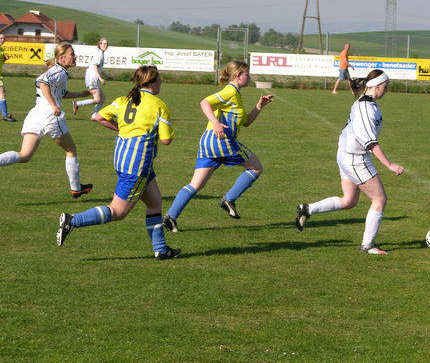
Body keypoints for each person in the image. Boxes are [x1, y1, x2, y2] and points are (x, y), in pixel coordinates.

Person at [56, 65, 180, 260]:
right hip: (137, 164)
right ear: (152, 82)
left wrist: (122, 129)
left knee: (155, 202)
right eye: (160, 79)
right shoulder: (158, 105)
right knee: (118, 212)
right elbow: (166, 140)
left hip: (122, 158)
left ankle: (161, 250)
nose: (162, 82)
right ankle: (73, 220)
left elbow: (98, 116)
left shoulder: (123, 100)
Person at [296, 69, 405, 255]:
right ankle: (368, 245)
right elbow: (371, 142)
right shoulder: (365, 108)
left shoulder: (368, 104)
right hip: (355, 158)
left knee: (349, 201)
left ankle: (307, 209)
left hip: (348, 155)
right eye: (385, 87)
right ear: (376, 86)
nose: (387, 90)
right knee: (379, 199)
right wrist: (389, 164)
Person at [162, 60, 274, 233]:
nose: (249, 77)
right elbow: (204, 102)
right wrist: (215, 122)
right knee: (256, 168)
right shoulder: (230, 91)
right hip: (222, 141)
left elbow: (246, 122)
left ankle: (170, 217)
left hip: (208, 143)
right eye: (247, 74)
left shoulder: (236, 95)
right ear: (238, 75)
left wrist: (259, 106)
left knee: (195, 184)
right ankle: (228, 200)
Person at [0, 42, 93, 198]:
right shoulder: (59, 71)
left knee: (24, 156)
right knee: (71, 150)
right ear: (62, 58)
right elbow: (42, 83)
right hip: (50, 115)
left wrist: (81, 94)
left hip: (36, 114)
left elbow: (60, 93)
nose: (75, 56)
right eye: (72, 54)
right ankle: (76, 188)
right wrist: (53, 105)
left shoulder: (60, 72)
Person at [72, 38, 112, 120]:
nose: (105, 45)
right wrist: (100, 78)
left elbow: (98, 68)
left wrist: (106, 76)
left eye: (106, 44)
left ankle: (94, 116)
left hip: (93, 78)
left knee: (102, 98)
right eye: (104, 44)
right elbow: (94, 66)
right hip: (92, 79)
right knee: (97, 100)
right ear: (99, 44)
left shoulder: (101, 53)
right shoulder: (99, 54)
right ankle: (77, 103)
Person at [0, 34, 16, 122]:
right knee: (1, 94)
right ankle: (5, 115)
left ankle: (5, 114)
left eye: (4, 38)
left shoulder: (2, 49)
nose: (3, 40)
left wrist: (5, 59)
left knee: (3, 94)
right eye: (1, 38)